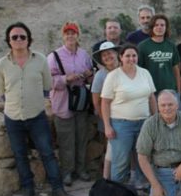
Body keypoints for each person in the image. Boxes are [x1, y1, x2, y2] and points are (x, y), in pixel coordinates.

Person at [0, 22, 74, 196]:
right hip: (13, 117)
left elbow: (47, 86)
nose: (19, 40)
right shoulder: (1, 64)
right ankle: (27, 189)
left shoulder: (40, 60)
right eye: (14, 37)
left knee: (47, 152)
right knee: (20, 155)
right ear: (9, 41)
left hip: (37, 116)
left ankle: (57, 188)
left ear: (29, 39)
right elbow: (1, 92)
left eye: (22, 36)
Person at [101, 44, 157, 184]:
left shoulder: (145, 73)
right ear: (121, 57)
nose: (131, 59)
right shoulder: (113, 76)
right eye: (127, 56)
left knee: (142, 158)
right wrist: (107, 126)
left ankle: (140, 187)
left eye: (134, 56)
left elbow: (151, 97)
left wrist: (156, 119)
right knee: (120, 160)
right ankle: (117, 193)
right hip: (121, 124)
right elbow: (105, 102)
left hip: (144, 123)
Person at [47, 22, 93, 186]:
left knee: (81, 138)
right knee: (66, 140)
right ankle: (67, 172)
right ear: (63, 36)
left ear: (78, 35)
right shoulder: (54, 56)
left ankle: (81, 169)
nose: (70, 36)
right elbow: (47, 81)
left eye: (73, 33)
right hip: (63, 103)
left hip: (80, 102)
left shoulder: (84, 55)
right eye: (67, 33)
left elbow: (90, 76)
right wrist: (65, 79)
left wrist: (88, 75)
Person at [90, 41, 120, 179]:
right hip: (108, 118)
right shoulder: (100, 76)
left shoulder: (125, 69)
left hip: (125, 116)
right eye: (104, 55)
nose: (108, 57)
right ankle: (108, 177)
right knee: (110, 149)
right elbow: (96, 101)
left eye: (110, 53)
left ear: (116, 53)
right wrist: (105, 121)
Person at [137, 14, 181, 95]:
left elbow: (176, 70)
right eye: (156, 25)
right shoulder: (142, 46)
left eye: (162, 25)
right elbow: (138, 71)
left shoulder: (171, 46)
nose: (159, 27)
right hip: (151, 92)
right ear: (152, 27)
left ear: (166, 27)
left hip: (171, 91)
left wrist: (178, 91)